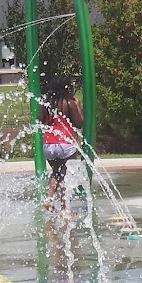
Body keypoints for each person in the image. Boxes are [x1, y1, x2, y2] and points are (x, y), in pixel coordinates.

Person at [37, 75, 83, 210]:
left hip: (49, 144)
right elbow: (79, 123)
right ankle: (65, 209)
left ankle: (48, 199)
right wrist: (77, 106)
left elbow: (40, 121)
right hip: (66, 144)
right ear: (67, 88)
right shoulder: (70, 103)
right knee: (66, 175)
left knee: (56, 172)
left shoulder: (47, 104)